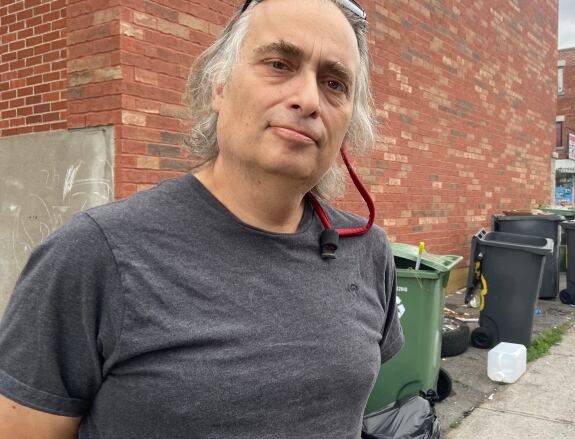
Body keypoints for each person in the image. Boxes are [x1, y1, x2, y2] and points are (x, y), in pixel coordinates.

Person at [0, 0, 403, 437]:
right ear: (219, 87)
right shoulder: (96, 254)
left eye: (334, 82)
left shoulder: (367, 251)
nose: (308, 99)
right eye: (278, 63)